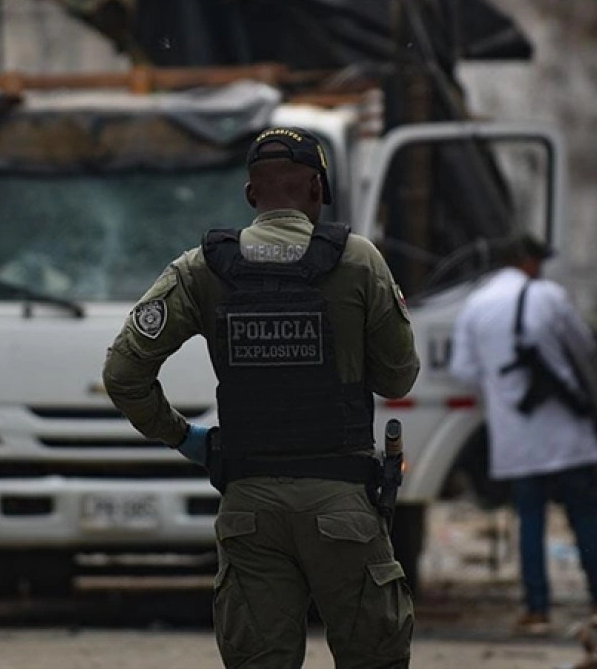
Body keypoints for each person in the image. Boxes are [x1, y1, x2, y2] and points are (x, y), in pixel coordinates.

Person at [103, 127, 420, 668]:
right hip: (342, 507)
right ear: (318, 190)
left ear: (251, 196)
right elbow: (398, 379)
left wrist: (184, 437)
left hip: (249, 507)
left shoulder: (203, 267)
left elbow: (123, 372)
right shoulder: (359, 261)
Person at [448, 234, 597, 636]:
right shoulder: (548, 296)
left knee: (530, 522)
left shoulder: (475, 305)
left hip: (516, 439)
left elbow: (462, 370)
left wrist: (498, 390)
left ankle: (537, 610)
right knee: (585, 518)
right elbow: (584, 344)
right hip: (566, 435)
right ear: (525, 261)